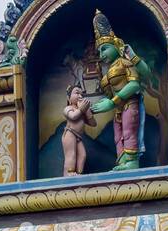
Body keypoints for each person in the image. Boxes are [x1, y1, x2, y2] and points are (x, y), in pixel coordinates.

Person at [89, 10, 156, 171]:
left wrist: (112, 102)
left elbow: (135, 85)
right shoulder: (109, 70)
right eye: (99, 51)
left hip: (128, 104)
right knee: (118, 137)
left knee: (128, 132)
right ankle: (122, 163)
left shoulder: (124, 63)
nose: (101, 54)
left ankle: (132, 162)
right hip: (118, 109)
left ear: (116, 45)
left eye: (104, 49)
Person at [62, 84, 95, 176]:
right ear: (69, 97)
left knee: (82, 155)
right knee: (71, 154)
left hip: (78, 137)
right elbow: (73, 116)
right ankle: (69, 173)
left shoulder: (82, 112)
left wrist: (87, 112)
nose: (80, 96)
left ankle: (79, 173)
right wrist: (81, 109)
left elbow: (93, 124)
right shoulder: (68, 108)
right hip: (70, 134)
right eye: (77, 93)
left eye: (82, 94)